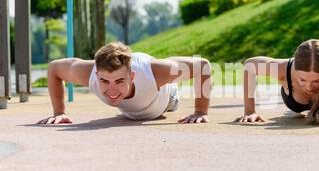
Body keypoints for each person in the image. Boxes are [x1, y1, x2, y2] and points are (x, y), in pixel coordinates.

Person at [37, 42, 211, 125]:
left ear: (132, 76)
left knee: (168, 86)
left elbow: (203, 66)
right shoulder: (87, 73)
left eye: (119, 81)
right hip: (129, 110)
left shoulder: (154, 73)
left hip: (166, 100)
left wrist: (200, 111)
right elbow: (54, 68)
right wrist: (59, 112)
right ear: (97, 75)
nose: (111, 90)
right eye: (104, 81)